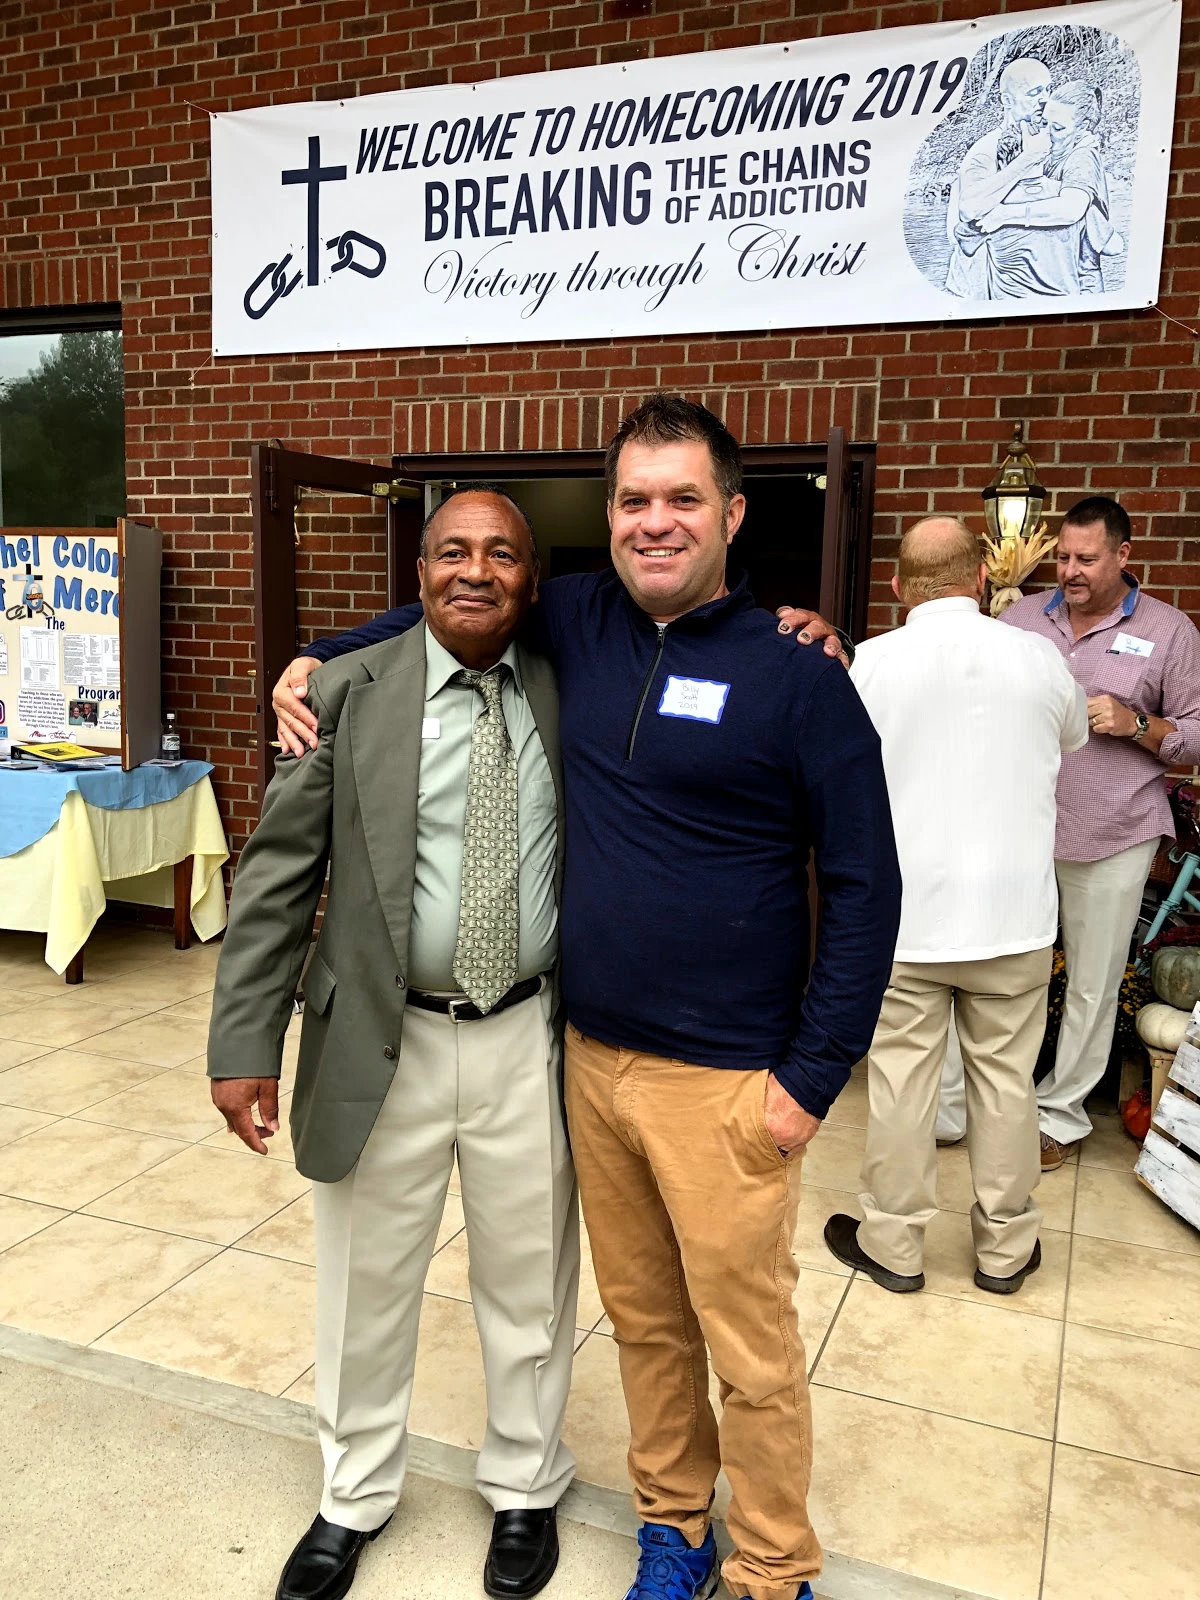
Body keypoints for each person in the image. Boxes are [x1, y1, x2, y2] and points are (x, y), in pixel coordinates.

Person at [273, 394, 902, 1600]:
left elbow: (869, 885)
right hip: (589, 1064)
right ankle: (674, 1527)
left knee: (750, 1345)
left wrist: (813, 1075)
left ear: (732, 514)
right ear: (607, 518)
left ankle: (775, 1565)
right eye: (633, 500)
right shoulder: (580, 619)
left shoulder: (799, 674)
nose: (655, 522)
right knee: (645, 1322)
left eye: (682, 499)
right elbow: (453, 601)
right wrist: (320, 652)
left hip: (731, 1079)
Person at [209, 487, 577, 1600]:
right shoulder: (346, 692)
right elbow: (277, 878)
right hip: (383, 1033)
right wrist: (243, 1039)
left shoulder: (572, 682)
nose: (476, 570)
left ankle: (525, 1482)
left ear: (531, 579)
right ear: (417, 574)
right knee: (364, 1283)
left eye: (501, 553)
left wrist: (799, 626)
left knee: (530, 1278)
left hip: (528, 1035)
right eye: (452, 551)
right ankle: (353, 1493)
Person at [782, 495, 1200, 1170]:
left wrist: (1140, 725)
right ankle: (956, 1121)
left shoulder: (1170, 631)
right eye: (1063, 557)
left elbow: (1195, 731)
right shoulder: (1023, 623)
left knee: (1091, 983)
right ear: (982, 579)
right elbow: (946, 670)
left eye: (1087, 559)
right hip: (1010, 839)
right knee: (980, 976)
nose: (1071, 570)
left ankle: (1059, 1115)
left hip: (1111, 826)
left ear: (1124, 555)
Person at [823, 518, 1087, 1295]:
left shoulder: (871, 666)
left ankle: (894, 1244)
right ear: (979, 578)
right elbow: (1073, 737)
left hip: (906, 920)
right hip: (1013, 916)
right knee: (1007, 1083)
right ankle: (1005, 1248)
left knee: (901, 1083)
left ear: (898, 587)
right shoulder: (1039, 658)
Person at [974, 80, 1122, 296]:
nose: (1046, 133)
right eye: (1044, 123)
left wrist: (1004, 214)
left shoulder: (1083, 157)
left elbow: (1071, 209)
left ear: (1084, 127)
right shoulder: (1050, 149)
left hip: (1081, 288)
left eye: (1058, 128)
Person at [945, 57, 1053, 299]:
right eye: (1034, 92)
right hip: (977, 292)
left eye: (1048, 89)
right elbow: (969, 209)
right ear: (1007, 101)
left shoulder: (1047, 142)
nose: (1044, 99)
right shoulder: (985, 151)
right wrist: (1027, 159)